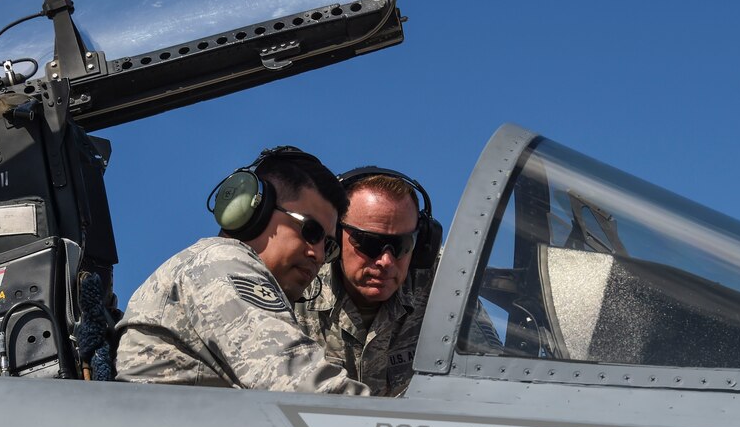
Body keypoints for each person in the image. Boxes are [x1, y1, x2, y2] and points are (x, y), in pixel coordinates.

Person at [115, 147, 369, 394]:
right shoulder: (222, 262)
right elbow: (301, 386)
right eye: (311, 231)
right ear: (256, 210)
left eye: (328, 245)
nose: (319, 255)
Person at [296, 168, 499, 396]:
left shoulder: (445, 285)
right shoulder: (297, 281)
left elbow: (491, 380)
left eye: (402, 245)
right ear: (333, 234)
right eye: (369, 243)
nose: (386, 261)